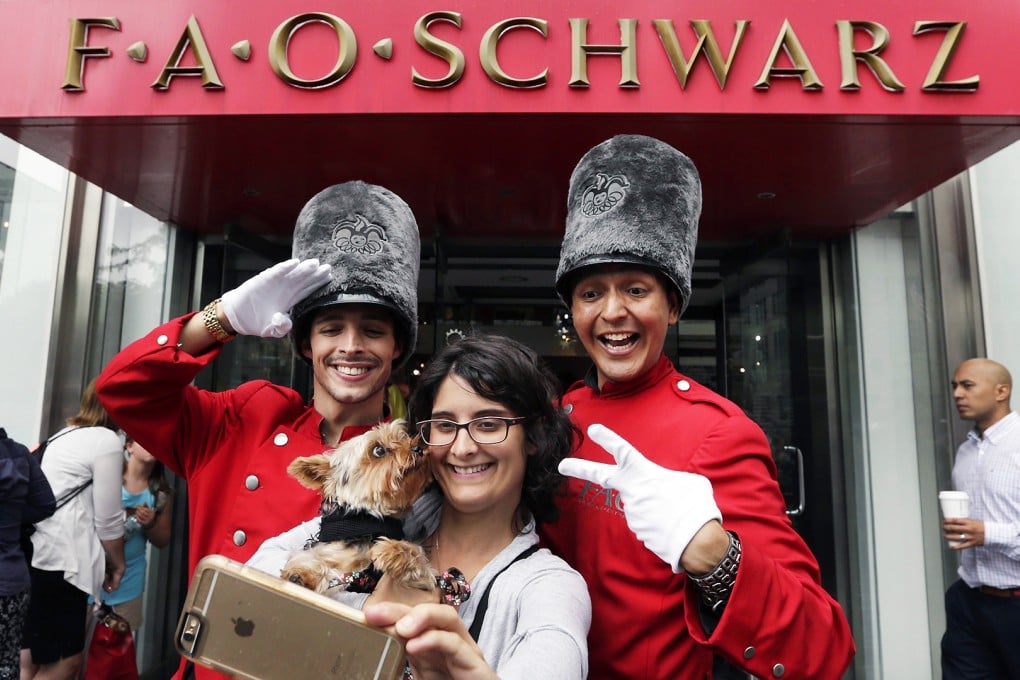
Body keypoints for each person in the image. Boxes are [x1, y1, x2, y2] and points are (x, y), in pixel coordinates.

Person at [539, 134, 856, 679]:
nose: (612, 312)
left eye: (636, 290)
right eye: (591, 294)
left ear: (674, 306)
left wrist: (716, 556)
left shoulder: (717, 432)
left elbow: (822, 646)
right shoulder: (562, 412)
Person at [96, 181, 421, 679]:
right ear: (306, 344)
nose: (351, 346)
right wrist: (221, 318)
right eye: (331, 328)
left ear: (397, 348)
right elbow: (123, 388)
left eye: (373, 330)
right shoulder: (247, 418)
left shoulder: (413, 463)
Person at [255, 334, 591, 678]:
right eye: (444, 425)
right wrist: (366, 607)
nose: (462, 448)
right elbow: (253, 587)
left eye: (488, 424)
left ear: (533, 436)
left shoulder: (549, 588)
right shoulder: (372, 521)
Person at [20, 379, 127, 680]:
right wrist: (118, 564)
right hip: (62, 563)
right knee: (65, 662)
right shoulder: (106, 440)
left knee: (28, 659)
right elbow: (108, 520)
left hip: (34, 556)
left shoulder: (63, 435)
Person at [941, 358, 1020, 679]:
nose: (958, 394)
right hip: (969, 600)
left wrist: (988, 533)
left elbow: (986, 530)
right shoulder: (966, 453)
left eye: (968, 385)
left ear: (1001, 391)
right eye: (955, 387)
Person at [98, 435, 173, 636]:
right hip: (92, 576)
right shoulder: (109, 478)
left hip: (129, 583)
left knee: (118, 652)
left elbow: (163, 540)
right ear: (129, 447)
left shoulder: (159, 492)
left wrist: (150, 524)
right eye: (144, 439)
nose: (151, 445)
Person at [0, 429, 54, 680]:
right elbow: (45, 504)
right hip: (12, 582)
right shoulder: (19, 454)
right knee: (8, 664)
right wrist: (12, 520)